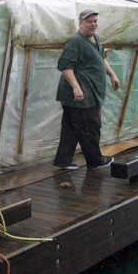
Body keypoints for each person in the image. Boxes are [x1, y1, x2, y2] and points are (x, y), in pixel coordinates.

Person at [53, 9, 120, 170]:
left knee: (71, 128)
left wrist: (112, 74)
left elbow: (101, 58)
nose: (93, 24)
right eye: (89, 21)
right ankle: (95, 161)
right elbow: (65, 66)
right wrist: (76, 87)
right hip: (81, 95)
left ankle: (63, 161)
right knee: (90, 126)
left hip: (89, 92)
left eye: (95, 21)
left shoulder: (95, 38)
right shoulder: (75, 42)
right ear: (81, 23)